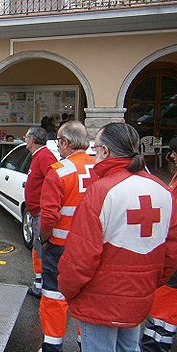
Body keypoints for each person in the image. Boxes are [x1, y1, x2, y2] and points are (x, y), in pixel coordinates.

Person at [58, 123, 177, 352]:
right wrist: (151, 283)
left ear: (106, 151)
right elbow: (171, 249)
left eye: (96, 148)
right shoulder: (162, 189)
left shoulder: (101, 190)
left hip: (98, 299)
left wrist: (68, 289)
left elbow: (81, 256)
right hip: (139, 295)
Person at [38, 121, 96, 352]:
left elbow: (49, 216)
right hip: (92, 248)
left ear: (65, 142)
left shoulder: (59, 172)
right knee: (88, 296)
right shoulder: (100, 167)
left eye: (59, 142)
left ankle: (52, 346)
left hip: (60, 247)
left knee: (54, 297)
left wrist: (43, 238)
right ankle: (87, 344)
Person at [141, 136, 177, 352]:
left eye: (175, 152)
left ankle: (155, 346)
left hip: (173, 253)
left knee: (164, 308)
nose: (172, 156)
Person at [23, 127, 57, 298]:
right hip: (37, 211)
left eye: (26, 137)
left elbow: (54, 180)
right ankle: (39, 282)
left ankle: (42, 284)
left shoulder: (44, 156)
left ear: (33, 140)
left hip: (42, 212)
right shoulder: (39, 156)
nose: (25, 140)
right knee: (37, 247)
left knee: (41, 248)